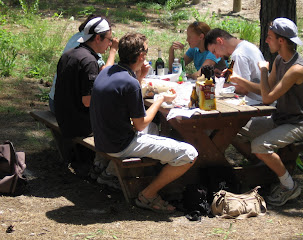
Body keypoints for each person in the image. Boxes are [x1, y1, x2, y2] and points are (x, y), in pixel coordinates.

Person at [90, 32, 198, 213]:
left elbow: (127, 97)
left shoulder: (108, 71)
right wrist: (160, 99)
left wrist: (140, 75)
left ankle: (150, 173)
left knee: (154, 127)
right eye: (146, 51)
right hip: (120, 144)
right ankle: (148, 194)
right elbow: (140, 125)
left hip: (103, 139)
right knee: (190, 153)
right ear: (141, 56)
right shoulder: (129, 83)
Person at [239, 18, 303, 206]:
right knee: (236, 129)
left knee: (259, 145)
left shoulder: (296, 69)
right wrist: (238, 80)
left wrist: (263, 70)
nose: (266, 41)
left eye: (269, 37)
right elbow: (266, 89)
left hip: (297, 124)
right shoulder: (280, 60)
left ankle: (289, 185)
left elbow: (267, 98)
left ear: (281, 41)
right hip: (279, 119)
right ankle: (264, 169)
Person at [49, 15, 118, 113]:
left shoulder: (70, 53)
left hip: (62, 112)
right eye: (109, 40)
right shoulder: (89, 61)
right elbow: (88, 101)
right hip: (78, 121)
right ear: (97, 38)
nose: (110, 44)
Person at [204, 28, 264, 103]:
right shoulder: (247, 45)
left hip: (257, 103)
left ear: (219, 41)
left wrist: (217, 83)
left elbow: (243, 89)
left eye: (214, 51)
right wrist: (226, 76)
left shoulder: (238, 55)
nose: (216, 56)